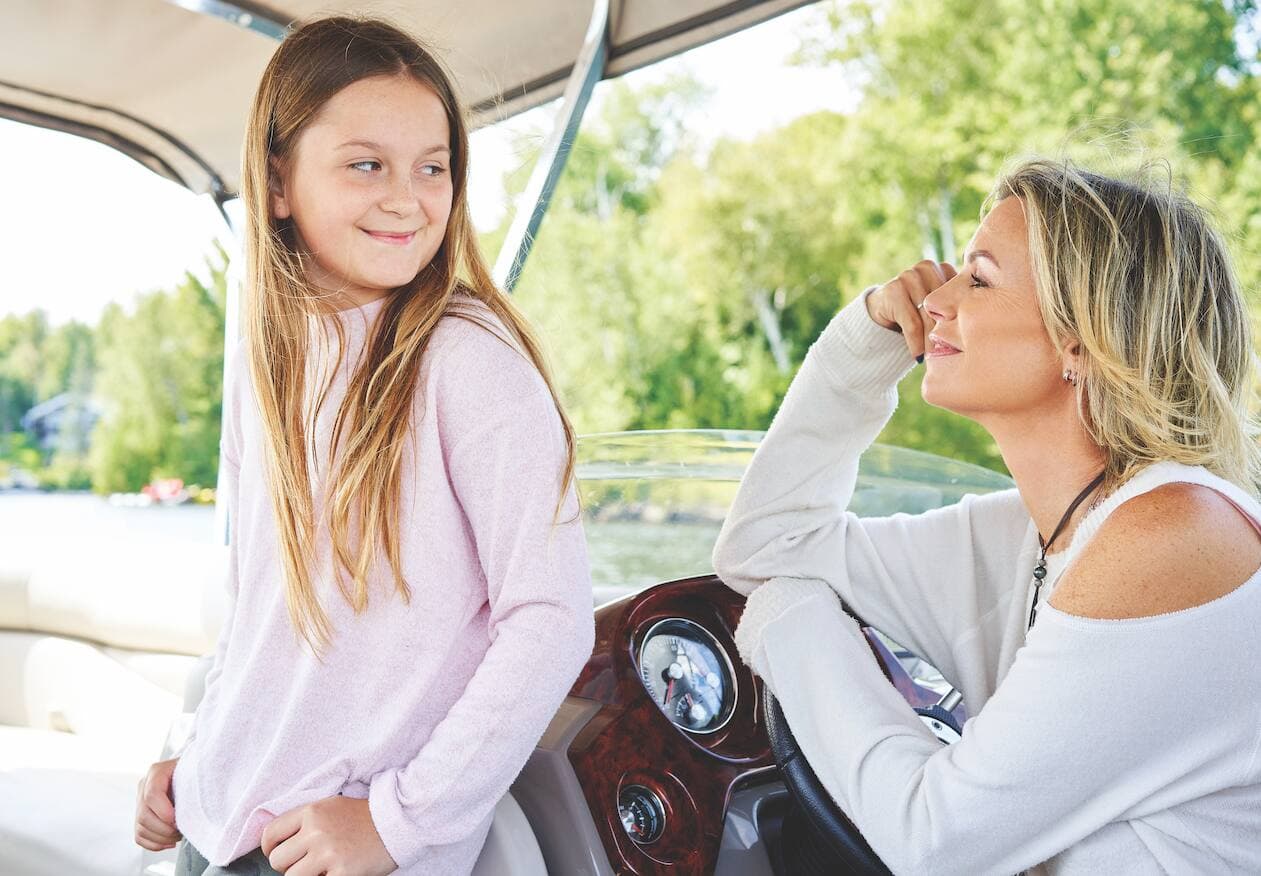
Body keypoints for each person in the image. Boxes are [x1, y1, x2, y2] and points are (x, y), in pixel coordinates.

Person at [132, 16, 594, 876]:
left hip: (339, 846)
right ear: (277, 182)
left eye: (433, 166)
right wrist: (201, 758)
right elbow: (257, 610)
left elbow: (552, 619)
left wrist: (395, 824)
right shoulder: (264, 365)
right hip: (218, 819)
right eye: (365, 164)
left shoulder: (467, 358)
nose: (406, 197)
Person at [712, 158, 1261, 874]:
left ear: (1080, 342)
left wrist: (789, 620)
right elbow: (764, 544)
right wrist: (869, 338)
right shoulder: (1036, 531)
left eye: (978, 278)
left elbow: (935, 842)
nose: (934, 298)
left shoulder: (1174, 533)